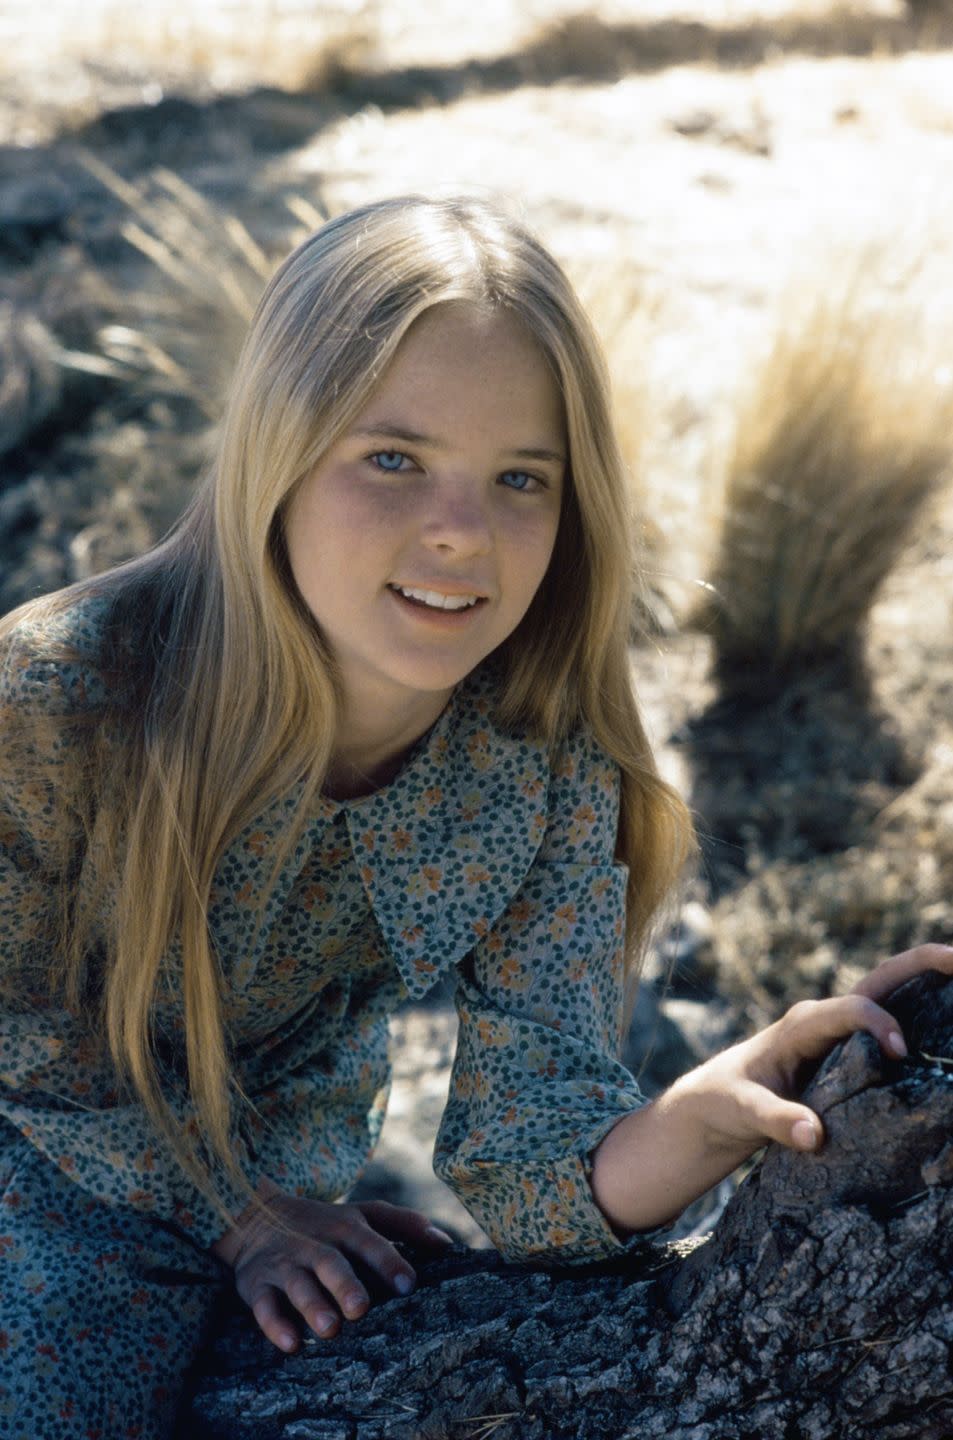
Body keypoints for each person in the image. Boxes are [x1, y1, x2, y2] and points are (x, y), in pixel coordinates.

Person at [0, 194, 949, 1440]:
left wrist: (709, 1109)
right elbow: (18, 1030)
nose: (459, 530)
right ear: (278, 453)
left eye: (519, 479)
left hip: (240, 1216)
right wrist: (239, 1213)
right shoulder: (62, 694)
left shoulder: (535, 772)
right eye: (390, 458)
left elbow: (532, 1163)